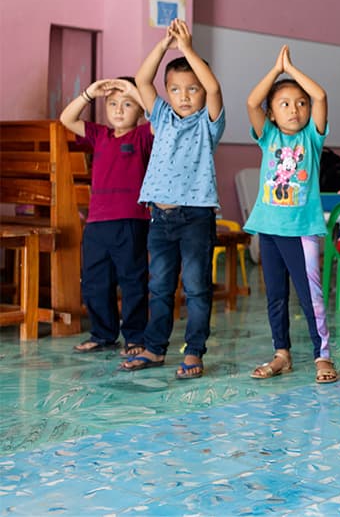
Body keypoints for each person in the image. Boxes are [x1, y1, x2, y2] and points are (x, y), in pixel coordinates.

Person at [119, 19, 225, 380]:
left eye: (192, 89)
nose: (184, 96)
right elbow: (142, 79)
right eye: (176, 89)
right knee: (159, 286)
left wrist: (188, 49)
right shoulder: (160, 116)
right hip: (160, 219)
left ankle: (194, 351)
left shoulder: (208, 123)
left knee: (196, 288)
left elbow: (213, 86)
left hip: (195, 217)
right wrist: (165, 45)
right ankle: (155, 348)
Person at [244, 45, 337, 384]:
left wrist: (292, 70)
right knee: (276, 295)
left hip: (302, 230)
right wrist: (275, 70)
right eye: (284, 104)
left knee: (310, 295)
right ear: (271, 113)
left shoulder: (312, 138)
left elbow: (321, 95)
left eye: (301, 104)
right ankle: (281, 353)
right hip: (269, 228)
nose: (295, 110)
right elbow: (253, 102)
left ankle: (322, 354)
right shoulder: (267, 136)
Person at [60, 77, 153, 356]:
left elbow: (160, 118)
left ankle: (135, 337)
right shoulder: (99, 134)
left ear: (139, 111)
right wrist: (90, 93)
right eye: (112, 104)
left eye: (127, 104)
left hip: (131, 221)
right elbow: (67, 118)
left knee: (133, 280)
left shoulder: (144, 135)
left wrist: (136, 91)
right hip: (97, 224)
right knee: (94, 281)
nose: (119, 110)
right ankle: (102, 334)